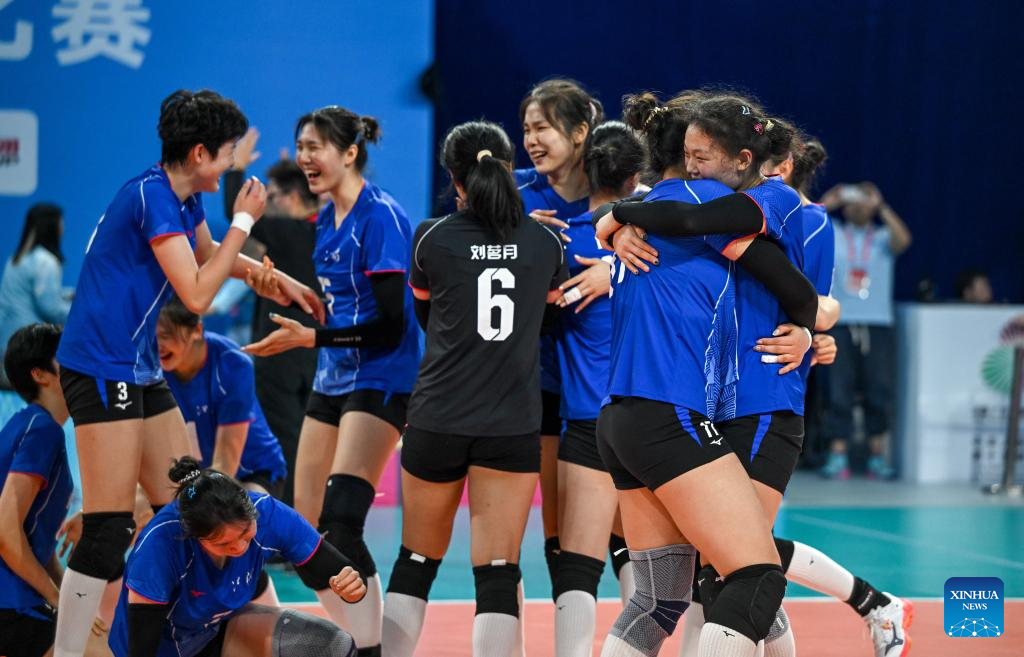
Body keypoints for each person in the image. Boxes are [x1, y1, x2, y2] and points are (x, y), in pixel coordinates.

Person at [52, 89, 323, 657]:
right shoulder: (152, 195)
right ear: (200, 153)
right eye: (227, 153)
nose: (231, 164)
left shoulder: (182, 198)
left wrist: (275, 280)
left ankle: (241, 632)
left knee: (198, 502)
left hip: (138, 367)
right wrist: (245, 218)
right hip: (101, 366)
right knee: (108, 528)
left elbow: (207, 255)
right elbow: (197, 295)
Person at [593, 92, 820, 657]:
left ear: (742, 158)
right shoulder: (706, 203)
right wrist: (617, 220)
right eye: (691, 155)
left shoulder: (752, 200)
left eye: (706, 156)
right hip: (680, 410)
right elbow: (795, 288)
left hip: (642, 414)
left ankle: (872, 604)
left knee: (666, 599)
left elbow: (805, 294)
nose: (697, 167)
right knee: (751, 577)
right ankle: (873, 604)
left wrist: (615, 217)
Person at [380, 120, 566, 657]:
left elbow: (427, 317)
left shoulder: (430, 237)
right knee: (498, 571)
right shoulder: (546, 243)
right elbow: (549, 323)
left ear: (453, 178)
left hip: (437, 417)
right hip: (510, 423)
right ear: (509, 170)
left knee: (416, 561)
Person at [241, 105, 422, 657]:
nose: (305, 157)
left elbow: (391, 325)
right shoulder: (325, 219)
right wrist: (291, 293)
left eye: (315, 146)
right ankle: (363, 639)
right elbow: (339, 304)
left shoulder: (381, 216)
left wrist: (313, 337)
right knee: (304, 531)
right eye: (300, 146)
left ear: (350, 152)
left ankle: (369, 649)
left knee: (342, 523)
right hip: (334, 376)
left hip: (382, 376)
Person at [108, 455, 366, 657]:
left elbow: (336, 567)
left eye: (246, 533)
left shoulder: (268, 514)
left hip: (214, 631)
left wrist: (353, 586)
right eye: (223, 544)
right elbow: (141, 647)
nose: (240, 547)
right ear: (194, 536)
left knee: (333, 646)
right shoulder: (160, 546)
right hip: (161, 647)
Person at [551, 121, 644, 657]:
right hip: (644, 416)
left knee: (578, 565)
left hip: (588, 418)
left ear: (584, 170)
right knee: (640, 554)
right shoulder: (655, 242)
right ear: (635, 178)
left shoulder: (561, 238)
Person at [517, 79, 610, 590]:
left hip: (607, 389)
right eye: (526, 129)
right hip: (542, 385)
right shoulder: (516, 197)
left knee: (629, 533)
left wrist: (613, 269)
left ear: (579, 132)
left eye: (543, 128)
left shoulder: (620, 195)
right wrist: (509, 232)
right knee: (561, 534)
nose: (532, 140)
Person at [222, 130, 322, 505]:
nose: (269, 203)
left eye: (274, 195)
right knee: (310, 440)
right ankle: (306, 518)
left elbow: (238, 212)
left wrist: (237, 168)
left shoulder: (289, 232)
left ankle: (284, 520)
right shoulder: (329, 232)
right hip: (317, 355)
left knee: (281, 442)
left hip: (279, 355)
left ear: (293, 197)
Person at [819, 181, 912, 479]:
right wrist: (828, 202)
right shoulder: (834, 231)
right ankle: (837, 455)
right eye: (853, 200)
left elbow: (904, 241)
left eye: (863, 200)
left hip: (877, 323)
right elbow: (806, 226)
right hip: (841, 322)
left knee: (878, 391)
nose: (858, 205)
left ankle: (876, 457)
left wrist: (881, 206)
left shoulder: (882, 236)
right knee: (839, 391)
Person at [156, 296, 288, 496]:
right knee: (139, 503)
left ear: (197, 330)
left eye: (166, 335)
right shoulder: (150, 367)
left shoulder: (233, 364)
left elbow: (225, 465)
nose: (158, 345)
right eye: (153, 335)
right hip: (195, 475)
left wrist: (186, 500)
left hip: (253, 472)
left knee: (237, 509)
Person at [0, 324, 72, 657]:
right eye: (66, 357)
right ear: (40, 374)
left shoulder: (30, 424)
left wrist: (62, 590)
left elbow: (33, 538)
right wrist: (56, 598)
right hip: (12, 605)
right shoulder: (42, 429)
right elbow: (5, 531)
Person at [0, 204, 72, 386]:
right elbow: (51, 308)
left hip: (8, 347)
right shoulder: (46, 261)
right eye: (61, 222)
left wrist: (66, 295)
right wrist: (81, 311)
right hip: (30, 350)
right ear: (52, 226)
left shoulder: (15, 259)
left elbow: (29, 296)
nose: (63, 227)